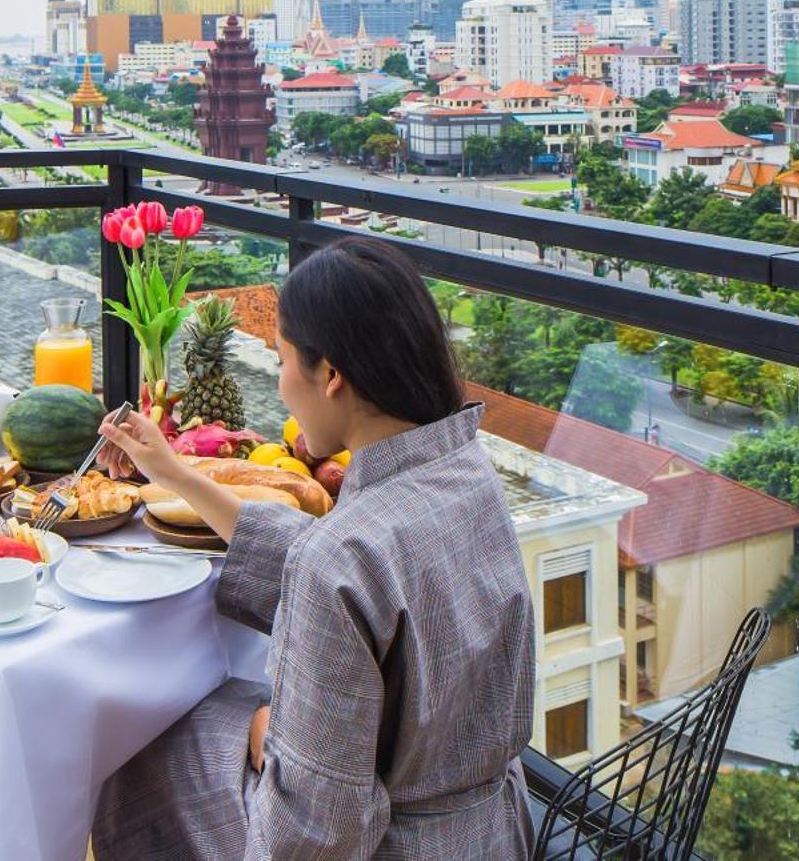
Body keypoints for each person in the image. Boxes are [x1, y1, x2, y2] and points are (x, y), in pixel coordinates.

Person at [92, 236, 535, 860]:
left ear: (330, 374)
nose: (279, 387)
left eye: (279, 361)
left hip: (391, 847)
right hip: (495, 832)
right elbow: (342, 566)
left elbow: (313, 835)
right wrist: (176, 475)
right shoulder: (463, 471)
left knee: (146, 744)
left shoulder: (342, 556)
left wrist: (282, 741)